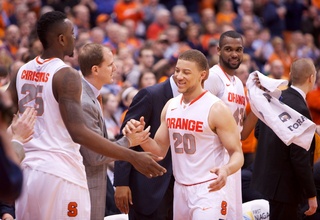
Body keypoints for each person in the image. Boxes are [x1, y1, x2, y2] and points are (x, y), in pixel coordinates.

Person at [6, 11, 166, 219]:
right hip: (60, 174)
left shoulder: (22, 70)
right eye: (72, 33)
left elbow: (4, 112)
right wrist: (132, 155)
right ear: (61, 39)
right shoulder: (66, 74)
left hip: (28, 171)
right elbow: (79, 133)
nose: (75, 38)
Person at [123, 49, 244, 219]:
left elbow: (237, 153)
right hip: (180, 188)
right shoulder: (171, 106)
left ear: (203, 75)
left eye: (186, 72)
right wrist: (141, 136)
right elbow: (159, 150)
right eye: (177, 70)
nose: (179, 76)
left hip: (208, 189)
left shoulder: (216, 108)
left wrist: (226, 169)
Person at [78, 43, 153, 220]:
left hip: (93, 182)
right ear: (96, 69)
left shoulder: (90, 94)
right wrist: (128, 141)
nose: (116, 68)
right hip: (85, 185)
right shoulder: (84, 102)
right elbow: (95, 156)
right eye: (110, 64)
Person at [251, 58, 318, 219]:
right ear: (311, 78)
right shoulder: (300, 107)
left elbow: (258, 132)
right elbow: (299, 157)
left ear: (290, 75)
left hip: (268, 180)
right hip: (286, 189)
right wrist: (311, 194)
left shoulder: (276, 98)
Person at [204, 30, 257, 219]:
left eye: (238, 49)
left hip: (233, 158)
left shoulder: (238, 85)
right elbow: (199, 117)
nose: (234, 54)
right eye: (228, 49)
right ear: (218, 50)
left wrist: (259, 107)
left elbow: (241, 134)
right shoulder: (212, 77)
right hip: (214, 159)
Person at [114, 75, 179, 219]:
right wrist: (121, 182)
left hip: (181, 186)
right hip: (149, 185)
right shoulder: (150, 95)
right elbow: (127, 137)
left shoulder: (196, 99)